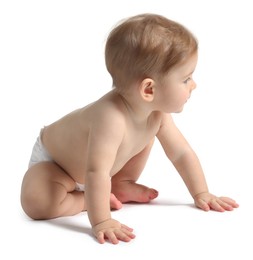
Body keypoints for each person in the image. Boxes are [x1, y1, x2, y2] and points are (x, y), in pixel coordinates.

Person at [20, 13, 239, 244]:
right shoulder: (110, 118)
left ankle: (120, 185)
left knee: (147, 133)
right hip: (57, 166)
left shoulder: (156, 114)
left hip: (102, 173)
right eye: (186, 79)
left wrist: (201, 193)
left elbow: (181, 153)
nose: (194, 85)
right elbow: (96, 172)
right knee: (36, 202)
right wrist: (102, 220)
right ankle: (85, 200)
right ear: (148, 90)